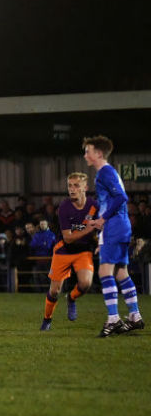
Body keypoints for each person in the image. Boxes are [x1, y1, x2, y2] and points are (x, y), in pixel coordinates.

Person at [83, 136, 144, 336]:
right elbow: (111, 200)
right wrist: (98, 222)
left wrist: (103, 220)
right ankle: (134, 316)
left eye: (88, 151)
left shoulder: (104, 173)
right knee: (120, 272)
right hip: (119, 226)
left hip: (115, 226)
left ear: (98, 154)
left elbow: (121, 197)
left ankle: (113, 319)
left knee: (104, 273)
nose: (85, 155)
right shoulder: (108, 172)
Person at [40, 172, 98, 331]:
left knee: (85, 284)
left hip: (83, 250)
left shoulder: (94, 206)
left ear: (85, 188)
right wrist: (88, 230)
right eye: (69, 186)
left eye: (76, 186)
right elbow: (68, 238)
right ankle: (47, 319)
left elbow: (101, 227)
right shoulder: (64, 207)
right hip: (63, 250)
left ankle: (71, 299)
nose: (72, 189)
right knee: (54, 290)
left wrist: (100, 238)